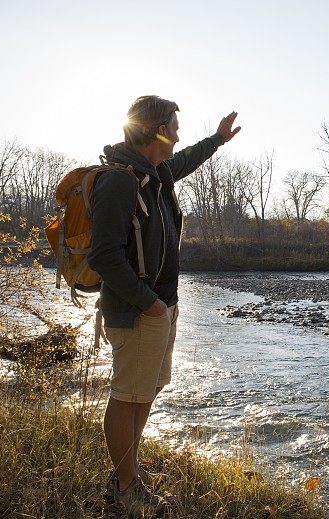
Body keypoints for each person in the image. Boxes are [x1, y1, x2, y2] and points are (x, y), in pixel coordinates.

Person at [87, 95, 240, 516]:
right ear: (155, 129)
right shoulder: (120, 181)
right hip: (139, 311)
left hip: (161, 307)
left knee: (146, 392)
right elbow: (104, 255)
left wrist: (218, 140)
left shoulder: (154, 173)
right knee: (127, 396)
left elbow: (188, 158)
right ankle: (126, 485)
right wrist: (149, 302)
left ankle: (127, 470)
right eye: (173, 124)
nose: (177, 132)